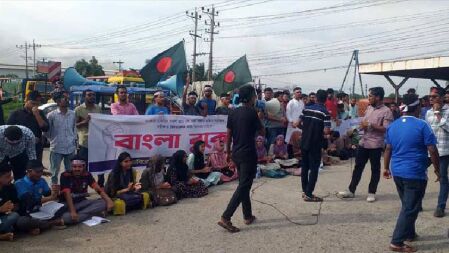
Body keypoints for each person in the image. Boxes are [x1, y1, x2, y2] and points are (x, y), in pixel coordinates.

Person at [384, 93, 440, 252]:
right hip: (414, 172)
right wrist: (437, 169)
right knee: (410, 207)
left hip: (398, 171)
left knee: (408, 204)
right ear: (418, 108)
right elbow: (432, 149)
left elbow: (388, 149)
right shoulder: (422, 125)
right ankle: (397, 242)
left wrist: (386, 168)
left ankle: (409, 234)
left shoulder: (393, 125)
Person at [218, 84, 264, 233]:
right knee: (244, 185)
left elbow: (228, 135)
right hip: (248, 153)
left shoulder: (233, 113)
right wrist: (260, 118)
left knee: (245, 184)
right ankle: (226, 217)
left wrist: (228, 152)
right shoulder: (252, 113)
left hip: (237, 153)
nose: (255, 98)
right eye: (255, 96)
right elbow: (262, 132)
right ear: (251, 97)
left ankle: (247, 215)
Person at [337, 87, 394, 202]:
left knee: (375, 169)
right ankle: (351, 191)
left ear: (378, 97)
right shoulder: (369, 108)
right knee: (358, 167)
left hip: (376, 145)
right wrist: (355, 130)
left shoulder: (386, 111)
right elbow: (363, 124)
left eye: (370, 96)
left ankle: (372, 192)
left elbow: (387, 129)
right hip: (364, 142)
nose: (369, 98)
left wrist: (372, 126)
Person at [59, 156, 113, 225]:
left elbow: (98, 189)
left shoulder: (87, 174)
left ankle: (79, 217)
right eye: (74, 167)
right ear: (71, 167)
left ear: (84, 167)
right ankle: (91, 215)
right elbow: (67, 194)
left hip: (82, 202)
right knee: (66, 216)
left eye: (80, 167)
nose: (77, 169)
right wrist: (72, 211)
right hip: (68, 204)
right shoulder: (65, 175)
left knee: (103, 202)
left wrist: (108, 200)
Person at [15, 160, 65, 229]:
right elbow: (31, 202)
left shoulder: (41, 181)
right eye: (37, 172)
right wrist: (51, 197)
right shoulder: (19, 183)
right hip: (25, 213)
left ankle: (37, 227)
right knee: (22, 222)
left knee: (62, 206)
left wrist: (55, 192)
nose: (40, 174)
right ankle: (52, 223)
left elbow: (48, 194)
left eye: (41, 171)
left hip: (40, 211)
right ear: (29, 171)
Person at [300, 89, 331, 202]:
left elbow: (297, 123)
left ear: (316, 98)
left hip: (304, 141)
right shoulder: (325, 112)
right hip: (315, 143)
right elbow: (327, 131)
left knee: (305, 167)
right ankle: (309, 193)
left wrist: (306, 130)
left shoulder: (306, 108)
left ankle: (304, 191)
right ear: (325, 99)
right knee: (314, 169)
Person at [425, 87, 449, 218]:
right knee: (419, 174)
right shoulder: (428, 113)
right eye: (430, 96)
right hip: (429, 151)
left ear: (441, 97)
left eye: (434, 97)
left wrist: (439, 115)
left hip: (444, 151)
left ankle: (440, 207)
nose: (431, 99)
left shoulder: (448, 111)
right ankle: (416, 203)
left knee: (443, 178)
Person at [7, 90, 48, 163]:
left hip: (36, 148)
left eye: (37, 104)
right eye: (33, 103)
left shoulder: (40, 113)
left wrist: (37, 115)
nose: (35, 106)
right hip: (19, 149)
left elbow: (45, 128)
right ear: (26, 100)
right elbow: (8, 131)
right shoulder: (16, 113)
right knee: (19, 172)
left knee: (35, 171)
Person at [45, 92, 77, 184]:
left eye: (67, 99)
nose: (67, 100)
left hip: (70, 147)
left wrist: (74, 140)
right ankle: (54, 191)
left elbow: (74, 128)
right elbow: (46, 131)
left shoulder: (73, 114)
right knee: (54, 172)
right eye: (65, 99)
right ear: (58, 102)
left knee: (70, 171)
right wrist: (52, 140)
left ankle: (69, 189)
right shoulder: (51, 115)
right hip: (56, 147)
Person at [75, 89, 103, 185]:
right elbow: (74, 125)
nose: (92, 97)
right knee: (84, 166)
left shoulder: (98, 108)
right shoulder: (78, 110)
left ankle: (101, 186)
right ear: (84, 97)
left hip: (97, 141)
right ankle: (83, 186)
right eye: (89, 95)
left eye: (93, 95)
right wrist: (84, 122)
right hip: (84, 142)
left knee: (99, 165)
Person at [0, 163, 19, 241]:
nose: (11, 178)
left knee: (14, 216)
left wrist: (12, 207)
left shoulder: (10, 187)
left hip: (2, 218)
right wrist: (0, 209)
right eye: (7, 177)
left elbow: (16, 204)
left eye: (11, 175)